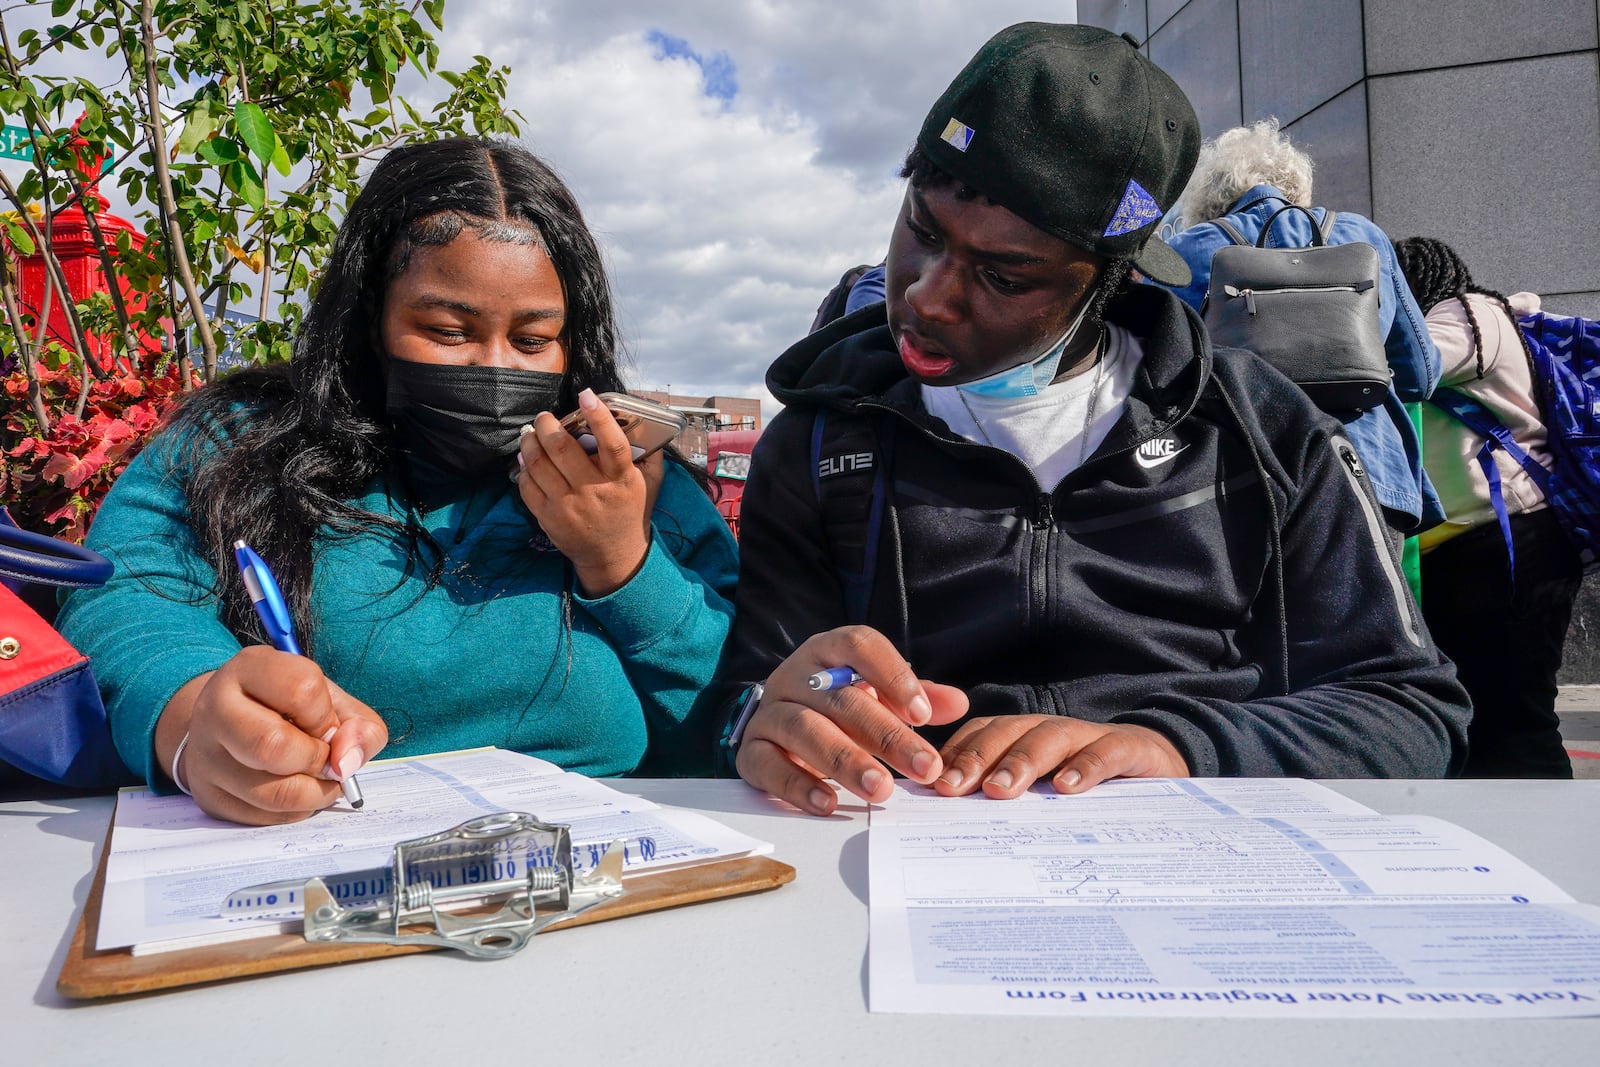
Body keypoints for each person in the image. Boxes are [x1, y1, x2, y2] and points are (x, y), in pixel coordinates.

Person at [719, 23, 1471, 817]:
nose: (929, 296)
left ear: (1108, 282)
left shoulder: (1264, 430)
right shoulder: (817, 444)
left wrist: (1181, 748)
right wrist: (769, 714)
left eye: (1004, 276)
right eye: (924, 231)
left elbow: (1411, 706)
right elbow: (750, 693)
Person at [56, 138, 738, 825]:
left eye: (532, 341)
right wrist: (190, 711)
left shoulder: (639, 479)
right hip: (319, 868)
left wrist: (621, 561)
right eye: (446, 329)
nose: (493, 364)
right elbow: (129, 593)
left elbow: (724, 713)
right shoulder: (239, 443)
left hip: (602, 879)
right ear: (371, 315)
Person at [1164, 119, 1443, 553]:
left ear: (1209, 198)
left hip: (1236, 479)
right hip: (1365, 471)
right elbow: (1420, 375)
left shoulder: (1185, 252)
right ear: (1296, 185)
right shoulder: (1362, 237)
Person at [1395, 236, 1581, 779]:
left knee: (1513, 719)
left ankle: (1545, 845)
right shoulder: (1477, 317)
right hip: (1483, 546)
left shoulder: (1469, 316)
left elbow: (1411, 363)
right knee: (1484, 714)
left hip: (1510, 542)